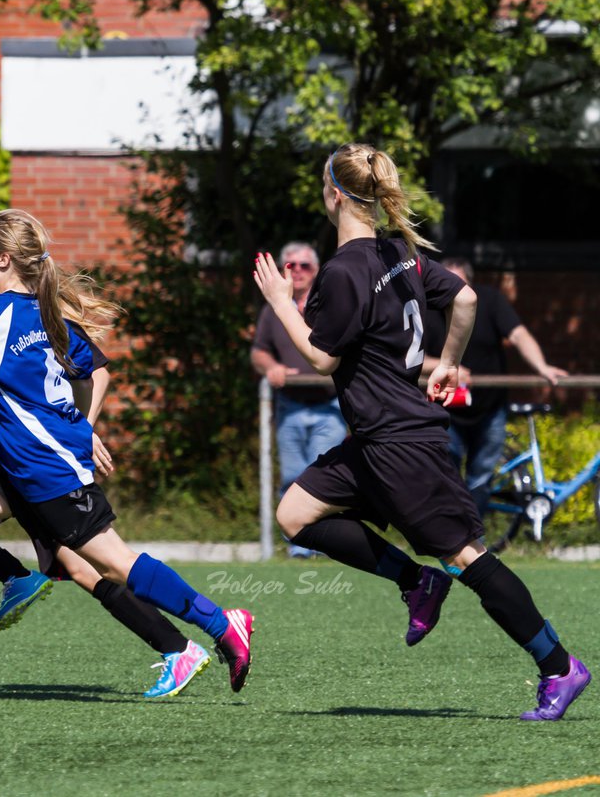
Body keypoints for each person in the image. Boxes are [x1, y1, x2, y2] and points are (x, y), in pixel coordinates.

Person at [252, 143, 588, 720]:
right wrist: (450, 362)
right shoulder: (396, 253)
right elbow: (465, 297)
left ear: (333, 194)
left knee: (468, 558)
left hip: (403, 442)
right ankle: (416, 582)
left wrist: (283, 302)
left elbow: (322, 359)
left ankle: (558, 665)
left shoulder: (343, 270)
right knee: (295, 515)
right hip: (377, 438)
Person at [0, 208, 253, 692]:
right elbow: (73, 376)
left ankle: (217, 625)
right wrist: (80, 431)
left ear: (4, 259)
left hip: (46, 470)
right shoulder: (41, 315)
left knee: (112, 565)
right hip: (19, 462)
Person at [0, 316, 212, 698]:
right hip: (12, 460)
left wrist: (82, 432)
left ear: (6, 260)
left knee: (92, 566)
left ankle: (182, 646)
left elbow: (98, 373)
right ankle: (14, 579)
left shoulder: (40, 315)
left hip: (40, 465)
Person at [420, 257, 569, 515]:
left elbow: (518, 335)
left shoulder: (490, 301)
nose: (451, 291)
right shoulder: (425, 308)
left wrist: (542, 367)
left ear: (470, 285)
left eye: (458, 284)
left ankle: (473, 539)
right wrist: (444, 366)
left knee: (480, 480)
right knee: (446, 478)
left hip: (489, 409)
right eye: (444, 283)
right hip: (445, 411)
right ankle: (452, 539)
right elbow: (408, 357)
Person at [251, 241, 347, 558]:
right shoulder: (273, 309)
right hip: (290, 405)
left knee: (324, 480)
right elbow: (259, 352)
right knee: (293, 478)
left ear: (317, 271)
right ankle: (299, 549)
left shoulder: (330, 305)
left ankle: (327, 546)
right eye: (291, 265)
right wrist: (272, 367)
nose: (298, 271)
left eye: (305, 265)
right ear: (282, 271)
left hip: (330, 405)